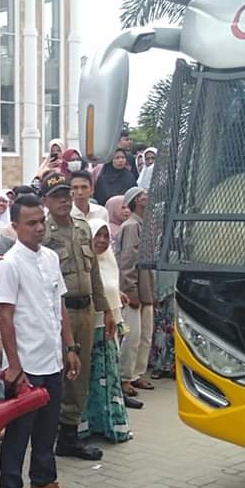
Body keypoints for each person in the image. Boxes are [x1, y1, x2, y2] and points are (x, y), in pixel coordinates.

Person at [0, 193, 81, 488]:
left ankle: (43, 482)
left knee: (48, 429)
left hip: (52, 358)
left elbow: (59, 305)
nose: (39, 228)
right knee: (19, 435)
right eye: (31, 223)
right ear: (15, 226)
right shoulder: (10, 265)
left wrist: (70, 348)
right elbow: (5, 317)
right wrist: (14, 366)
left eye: (41, 221)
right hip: (25, 364)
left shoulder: (50, 258)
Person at [39, 171, 107, 461]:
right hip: (59, 314)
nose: (64, 200)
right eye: (57, 196)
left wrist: (105, 310)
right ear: (46, 200)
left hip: (86, 311)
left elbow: (94, 272)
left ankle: (69, 436)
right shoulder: (43, 233)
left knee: (82, 375)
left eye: (66, 195)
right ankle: (48, 435)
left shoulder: (82, 228)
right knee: (59, 375)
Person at [81, 217, 135, 441]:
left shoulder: (109, 260)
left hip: (109, 331)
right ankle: (87, 426)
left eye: (106, 236)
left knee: (108, 378)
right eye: (97, 236)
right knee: (89, 380)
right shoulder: (85, 265)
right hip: (91, 330)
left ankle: (109, 424)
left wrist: (118, 298)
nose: (102, 240)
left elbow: (110, 290)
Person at [117, 187, 156, 396]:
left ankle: (136, 375)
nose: (146, 198)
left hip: (146, 288)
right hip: (133, 289)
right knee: (132, 337)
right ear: (134, 201)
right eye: (142, 196)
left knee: (145, 335)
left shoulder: (144, 225)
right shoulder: (131, 226)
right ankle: (124, 378)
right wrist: (130, 290)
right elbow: (127, 260)